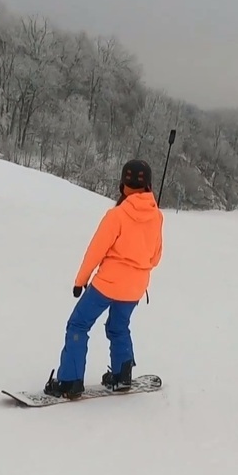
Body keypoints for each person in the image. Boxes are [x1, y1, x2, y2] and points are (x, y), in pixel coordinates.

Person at [44, 159, 164, 399]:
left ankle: (70, 381)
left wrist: (80, 281)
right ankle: (122, 376)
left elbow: (95, 251)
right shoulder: (157, 216)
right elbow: (156, 257)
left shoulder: (117, 215)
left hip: (107, 284)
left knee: (78, 324)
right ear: (149, 186)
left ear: (123, 185)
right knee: (119, 327)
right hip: (136, 287)